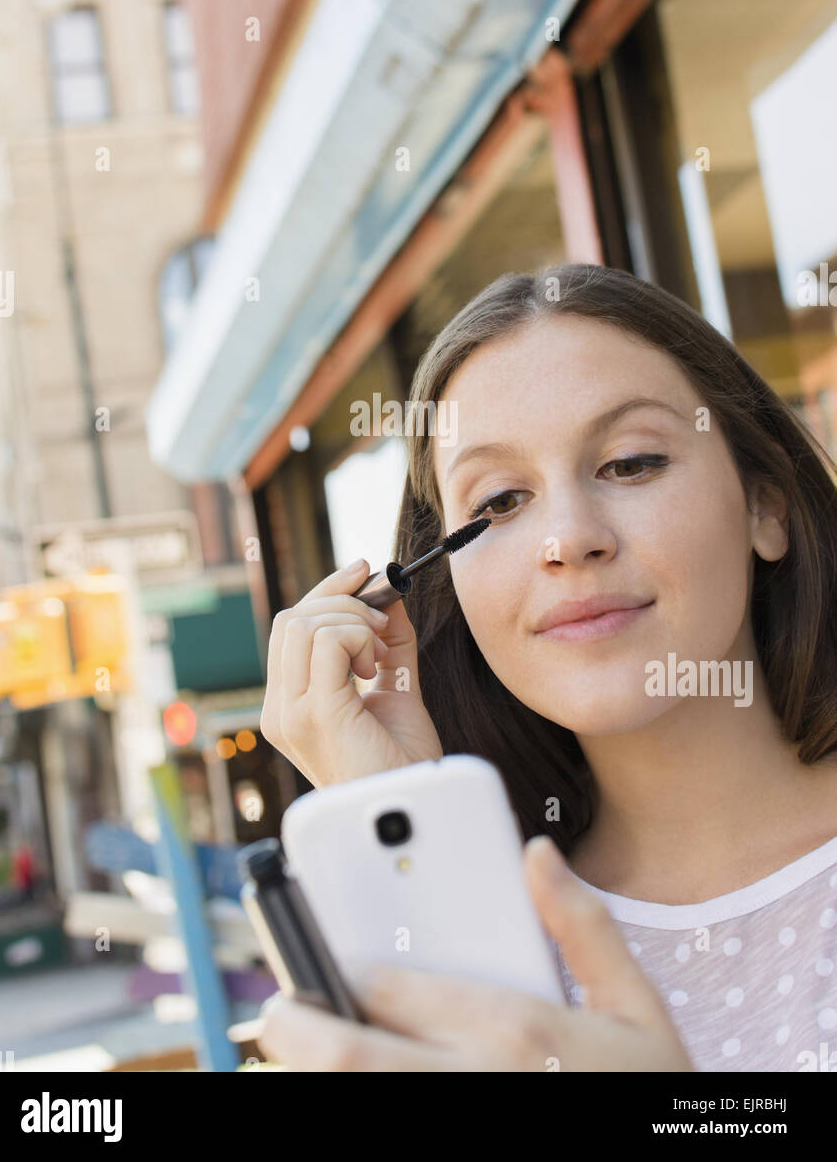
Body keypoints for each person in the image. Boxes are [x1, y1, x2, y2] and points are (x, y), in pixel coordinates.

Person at [257, 262, 837, 1072]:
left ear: (766, 504)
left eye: (631, 463)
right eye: (497, 503)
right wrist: (405, 831)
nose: (568, 539)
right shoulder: (458, 942)